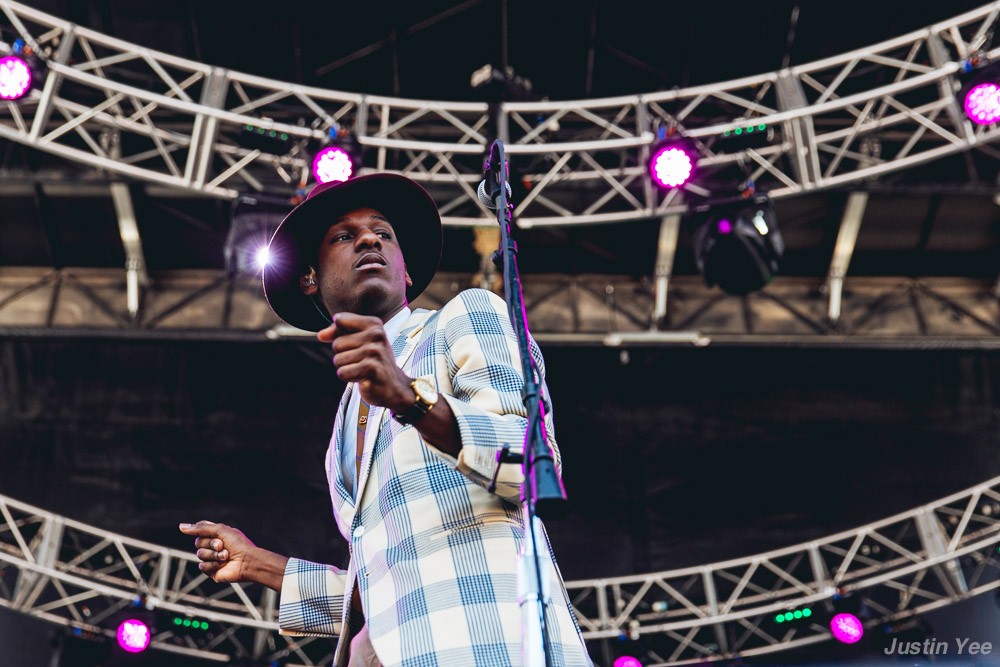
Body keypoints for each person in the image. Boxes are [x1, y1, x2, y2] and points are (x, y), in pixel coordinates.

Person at [180, 173, 591, 667]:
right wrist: (259, 564)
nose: (369, 238)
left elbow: (529, 459)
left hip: (496, 649)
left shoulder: (464, 316)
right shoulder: (341, 437)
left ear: (407, 272)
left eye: (383, 233)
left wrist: (412, 400)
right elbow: (386, 589)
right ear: (309, 276)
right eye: (344, 236)